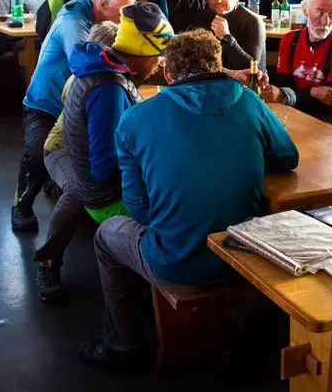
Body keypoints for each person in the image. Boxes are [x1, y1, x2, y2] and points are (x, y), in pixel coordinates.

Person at [79, 28, 299, 371]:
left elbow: (139, 210)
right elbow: (288, 157)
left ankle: (122, 343)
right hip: (243, 255)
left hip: (175, 261)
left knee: (107, 234)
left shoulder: (135, 119)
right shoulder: (248, 100)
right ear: (220, 66)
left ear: (168, 73)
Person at [34, 4, 174, 302]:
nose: (161, 62)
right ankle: (50, 261)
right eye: (158, 54)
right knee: (178, 206)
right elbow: (104, 167)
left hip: (91, 166)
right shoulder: (108, 86)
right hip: (85, 174)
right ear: (141, 50)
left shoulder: (108, 69)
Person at [13, 0, 136, 232]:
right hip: (46, 102)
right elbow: (83, 63)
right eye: (124, 11)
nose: (128, 17)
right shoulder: (73, 22)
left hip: (75, 103)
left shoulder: (94, 13)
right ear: (102, 4)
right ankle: (22, 204)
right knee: (36, 152)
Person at [265, 0, 332, 128]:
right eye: (319, 12)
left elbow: (329, 107)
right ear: (305, 10)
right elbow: (283, 86)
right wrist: (314, 92)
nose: (326, 21)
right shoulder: (289, 40)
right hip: (293, 112)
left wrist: (290, 95)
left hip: (328, 122)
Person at [193, 0, 266, 69]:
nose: (218, 0)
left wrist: (226, 37)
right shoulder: (201, 18)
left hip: (246, 83)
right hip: (212, 81)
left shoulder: (253, 21)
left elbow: (251, 68)